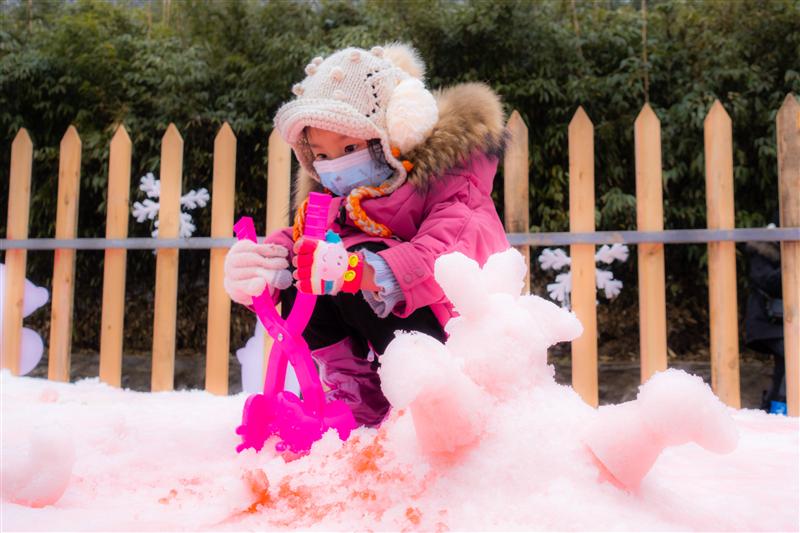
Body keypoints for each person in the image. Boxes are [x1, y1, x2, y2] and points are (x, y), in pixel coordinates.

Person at [223, 43, 510, 427]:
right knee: (304, 264)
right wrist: (263, 266)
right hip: (391, 342)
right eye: (322, 156)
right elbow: (298, 245)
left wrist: (359, 271)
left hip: (453, 343)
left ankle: (419, 398)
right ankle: (354, 392)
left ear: (395, 134)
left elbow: (443, 260)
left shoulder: (456, 185)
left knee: (348, 257)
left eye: (350, 147)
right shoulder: (344, 200)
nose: (336, 165)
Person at [743, 216, 786, 413]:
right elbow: (769, 282)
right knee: (793, 355)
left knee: (785, 364)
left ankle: (776, 407)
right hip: (767, 323)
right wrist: (792, 266)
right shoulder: (762, 249)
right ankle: (780, 407)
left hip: (785, 323)